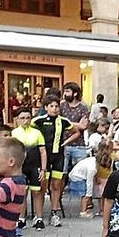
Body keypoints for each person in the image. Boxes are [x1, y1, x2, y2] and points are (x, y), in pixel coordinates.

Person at [31, 95, 74, 228]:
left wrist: (66, 142)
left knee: (56, 185)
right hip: (43, 157)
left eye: (56, 106)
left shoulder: (64, 121)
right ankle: (39, 216)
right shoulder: (38, 121)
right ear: (46, 107)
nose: (54, 109)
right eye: (51, 106)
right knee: (42, 186)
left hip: (58, 157)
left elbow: (76, 131)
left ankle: (54, 213)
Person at [10, 107, 47, 230]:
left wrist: (43, 169)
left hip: (34, 166)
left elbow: (43, 152)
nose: (25, 121)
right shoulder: (14, 133)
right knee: (22, 192)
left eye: (28, 118)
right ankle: (21, 218)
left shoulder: (37, 133)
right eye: (22, 118)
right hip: (20, 167)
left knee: (37, 192)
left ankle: (39, 218)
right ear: (17, 120)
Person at [69, 139, 115, 218]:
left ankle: (87, 208)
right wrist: (89, 194)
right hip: (77, 176)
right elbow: (89, 182)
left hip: (79, 174)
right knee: (84, 194)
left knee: (87, 192)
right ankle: (83, 212)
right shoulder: (92, 168)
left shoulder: (94, 160)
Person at [60, 82, 90, 175]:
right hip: (63, 144)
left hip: (79, 145)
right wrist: (77, 124)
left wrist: (66, 122)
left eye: (68, 91)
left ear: (75, 93)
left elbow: (83, 126)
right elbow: (58, 121)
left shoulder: (83, 108)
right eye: (64, 91)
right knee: (61, 174)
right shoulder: (61, 106)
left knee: (80, 174)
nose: (65, 94)